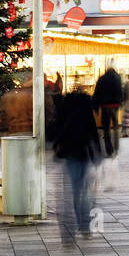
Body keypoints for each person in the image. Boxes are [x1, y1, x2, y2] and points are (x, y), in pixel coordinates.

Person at [53, 90, 101, 245]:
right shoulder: (87, 112)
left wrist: (56, 147)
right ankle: (85, 227)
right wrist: (98, 154)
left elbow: (60, 130)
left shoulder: (67, 112)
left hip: (70, 156)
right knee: (85, 192)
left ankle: (70, 233)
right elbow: (93, 133)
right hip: (85, 155)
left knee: (73, 192)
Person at [92, 64, 124, 158]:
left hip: (105, 106)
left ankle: (109, 150)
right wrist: (120, 102)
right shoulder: (118, 78)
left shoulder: (102, 79)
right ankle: (116, 147)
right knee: (115, 127)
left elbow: (97, 92)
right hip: (115, 106)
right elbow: (120, 91)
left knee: (106, 129)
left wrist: (96, 107)